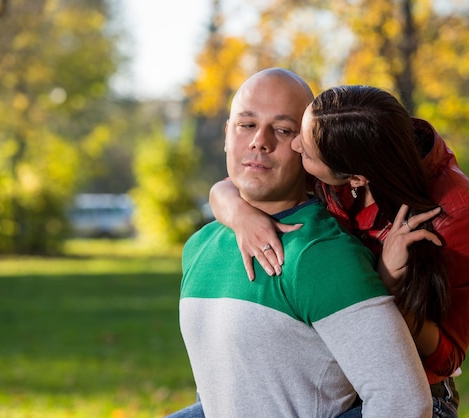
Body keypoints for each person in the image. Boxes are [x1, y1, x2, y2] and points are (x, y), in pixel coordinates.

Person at [209, 85, 469, 417]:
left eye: (306, 152)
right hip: (330, 386)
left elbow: (447, 356)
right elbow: (241, 178)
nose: (295, 145)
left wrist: (388, 285)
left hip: (410, 395)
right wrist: (238, 213)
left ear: (356, 178)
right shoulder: (336, 131)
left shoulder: (456, 213)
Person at [167, 69, 432, 417]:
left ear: (306, 146)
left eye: (282, 129)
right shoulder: (200, 246)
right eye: (247, 124)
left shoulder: (321, 254)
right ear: (227, 135)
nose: (259, 141)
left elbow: (403, 402)